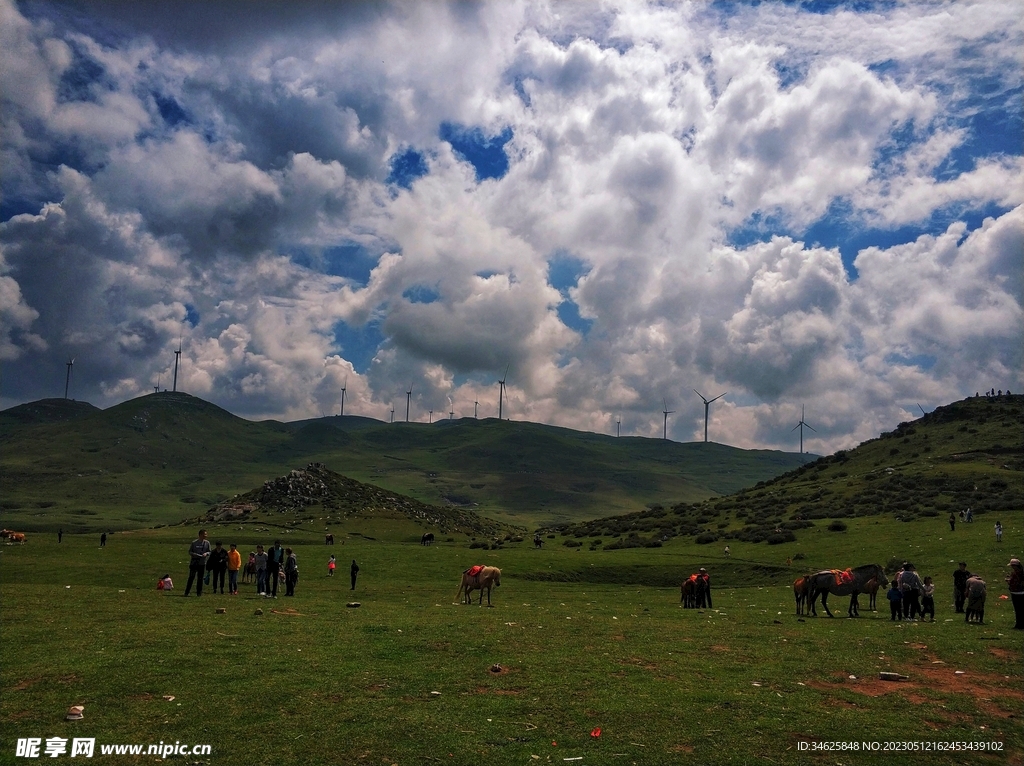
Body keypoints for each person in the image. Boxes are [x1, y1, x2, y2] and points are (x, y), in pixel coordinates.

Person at [183, 529, 210, 596]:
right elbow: (190, 551)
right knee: (191, 577)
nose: (206, 536)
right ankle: (187, 592)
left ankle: (199, 592)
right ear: (200, 535)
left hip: (202, 563)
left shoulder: (207, 543)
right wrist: (194, 554)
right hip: (194, 563)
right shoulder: (194, 543)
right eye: (204, 534)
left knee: (200, 578)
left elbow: (209, 551)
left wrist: (206, 554)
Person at [1006, 559, 1024, 630]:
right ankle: (1020, 624)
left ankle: (1019, 624)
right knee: (1021, 609)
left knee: (1018, 609)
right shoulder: (1021, 572)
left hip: (1016, 592)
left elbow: (1014, 583)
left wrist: (1009, 581)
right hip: (1021, 592)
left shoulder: (1016, 573)